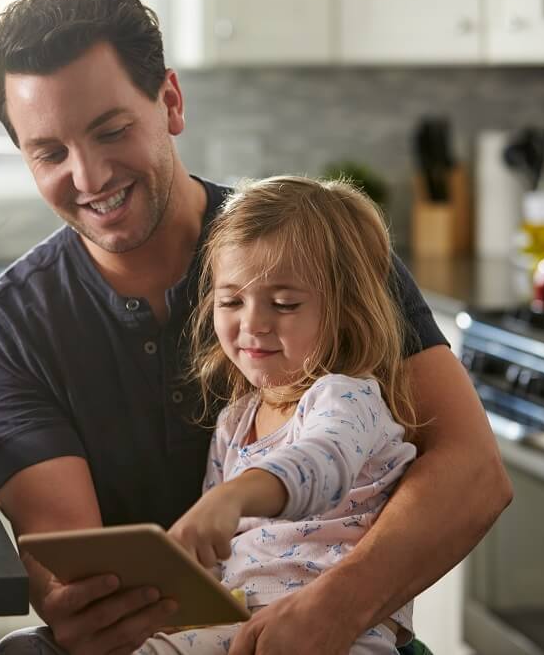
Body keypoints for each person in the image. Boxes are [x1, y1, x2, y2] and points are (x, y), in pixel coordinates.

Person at [0, 0, 511, 655]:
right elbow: (70, 571)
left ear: (171, 102)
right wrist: (79, 606)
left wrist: (330, 611)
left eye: (111, 131)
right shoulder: (6, 329)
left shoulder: (313, 250)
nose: (90, 175)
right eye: (49, 153)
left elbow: (474, 471)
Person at [142, 175, 420, 654]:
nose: (252, 323)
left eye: (285, 303)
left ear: (344, 310)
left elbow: (321, 463)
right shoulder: (235, 421)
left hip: (343, 635)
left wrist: (233, 497)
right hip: (242, 623)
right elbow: (218, 559)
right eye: (231, 301)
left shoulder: (346, 397)